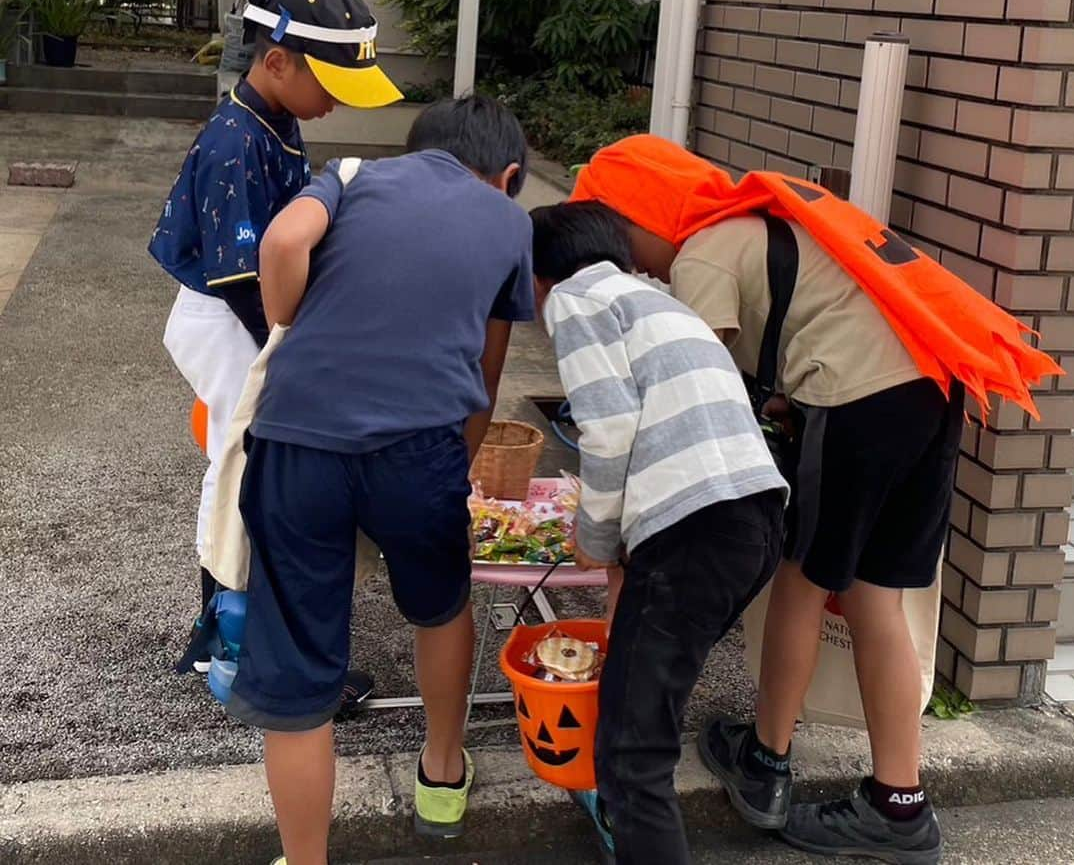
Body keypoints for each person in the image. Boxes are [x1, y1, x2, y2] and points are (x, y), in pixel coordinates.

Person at [568, 135, 985, 865]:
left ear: (643, 217)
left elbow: (700, 399)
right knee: (873, 595)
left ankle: (766, 762)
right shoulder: (758, 222)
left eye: (619, 239)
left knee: (802, 577)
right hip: (932, 384)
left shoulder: (703, 253)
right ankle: (899, 804)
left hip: (856, 396)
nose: (626, 263)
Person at [228, 95, 535, 865]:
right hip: (421, 443)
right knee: (440, 605)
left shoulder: (353, 176)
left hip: (297, 438)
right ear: (507, 175)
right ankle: (441, 772)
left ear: (417, 148)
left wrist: (291, 330)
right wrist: (452, 468)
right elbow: (486, 372)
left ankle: (306, 861)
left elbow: (282, 242)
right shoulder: (509, 221)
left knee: (300, 665)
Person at [531, 201, 788, 865]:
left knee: (630, 755)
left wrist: (592, 536)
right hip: (754, 522)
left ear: (542, 273)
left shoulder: (575, 298)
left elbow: (609, 428)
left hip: (695, 532)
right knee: (642, 722)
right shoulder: (662, 302)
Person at [148, 0, 402, 635]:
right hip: (227, 314)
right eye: (331, 87)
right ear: (278, 61)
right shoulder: (235, 141)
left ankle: (237, 616)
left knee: (247, 458)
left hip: (247, 307)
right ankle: (222, 628)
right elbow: (238, 277)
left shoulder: (275, 116)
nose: (334, 106)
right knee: (239, 461)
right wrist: (290, 343)